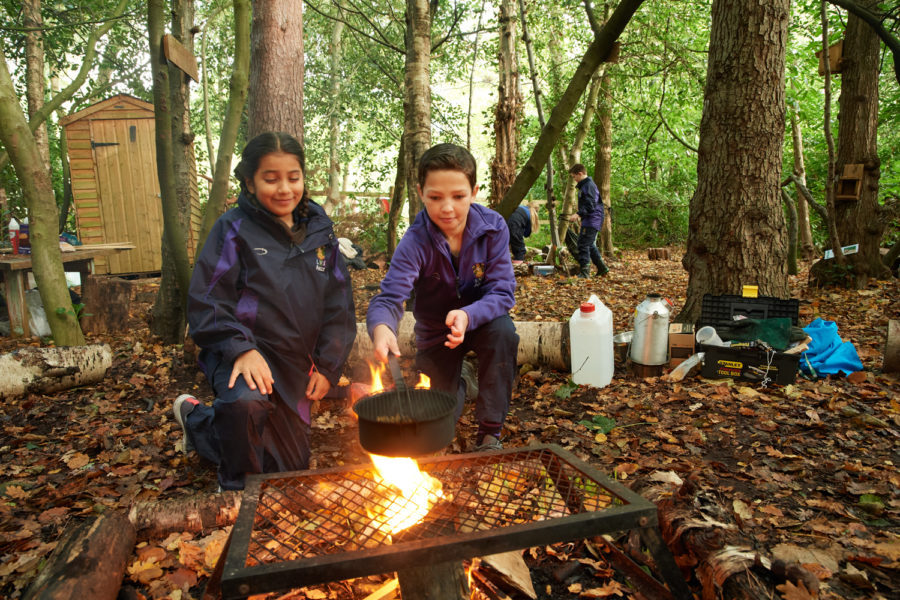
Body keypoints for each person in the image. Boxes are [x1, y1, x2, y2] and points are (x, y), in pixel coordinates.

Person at [173, 132, 357, 491]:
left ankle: (198, 421)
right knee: (246, 406)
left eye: (293, 177)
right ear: (250, 182)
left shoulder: (321, 233)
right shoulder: (233, 229)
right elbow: (206, 299)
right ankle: (236, 491)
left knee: (285, 470)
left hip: (294, 362)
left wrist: (328, 366)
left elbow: (339, 306)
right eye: (270, 179)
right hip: (241, 351)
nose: (284, 188)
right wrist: (241, 348)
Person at [367, 143, 519, 451]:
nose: (447, 208)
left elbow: (502, 291)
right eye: (435, 197)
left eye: (458, 196)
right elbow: (389, 297)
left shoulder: (493, 228)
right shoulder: (415, 242)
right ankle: (461, 381)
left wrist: (467, 315)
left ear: (474, 191)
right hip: (437, 332)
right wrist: (381, 327)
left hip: (482, 321)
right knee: (437, 423)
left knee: (504, 333)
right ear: (421, 192)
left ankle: (490, 431)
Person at [567, 164, 609, 278]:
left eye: (574, 176)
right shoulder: (585, 186)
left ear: (580, 174)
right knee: (589, 245)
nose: (574, 179)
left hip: (593, 219)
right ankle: (602, 268)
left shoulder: (588, 185)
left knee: (583, 244)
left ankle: (585, 273)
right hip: (590, 219)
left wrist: (578, 214)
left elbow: (591, 204)